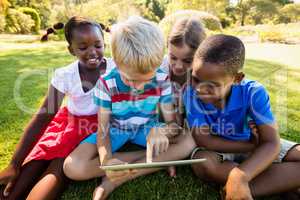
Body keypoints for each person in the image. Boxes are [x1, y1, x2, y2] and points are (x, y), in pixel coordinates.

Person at [63, 16, 196, 200]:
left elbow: (172, 125)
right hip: (115, 129)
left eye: (146, 79)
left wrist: (161, 131)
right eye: (130, 79)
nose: (138, 87)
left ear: (157, 66)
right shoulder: (106, 83)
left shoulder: (162, 79)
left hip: (147, 128)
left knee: (189, 141)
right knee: (72, 166)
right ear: (116, 62)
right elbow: (103, 130)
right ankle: (157, 161)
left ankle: (119, 178)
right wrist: (106, 159)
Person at [0, 16, 111, 200]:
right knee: (27, 170)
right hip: (67, 124)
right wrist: (14, 163)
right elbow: (43, 117)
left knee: (57, 170)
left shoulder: (114, 69)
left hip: (92, 129)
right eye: (83, 48)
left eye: (98, 45)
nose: (92, 52)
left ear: (104, 44)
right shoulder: (65, 75)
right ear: (71, 50)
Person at [184, 34, 300, 199]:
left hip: (255, 144)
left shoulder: (253, 93)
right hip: (222, 148)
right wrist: (250, 146)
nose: (199, 89)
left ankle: (236, 186)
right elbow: (204, 140)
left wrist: (239, 175)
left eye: (212, 86)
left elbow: (271, 142)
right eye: (195, 79)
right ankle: (279, 185)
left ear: (237, 79)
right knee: (203, 163)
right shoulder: (189, 93)